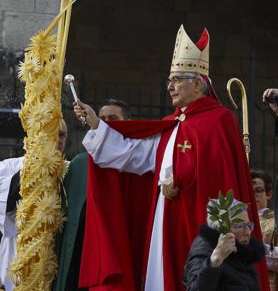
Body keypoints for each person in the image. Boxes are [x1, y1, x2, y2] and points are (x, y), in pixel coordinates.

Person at [74, 25, 269, 291]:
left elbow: (222, 178)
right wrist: (96, 124)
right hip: (166, 220)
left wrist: (184, 181)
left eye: (177, 79)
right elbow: (135, 156)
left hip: (202, 223)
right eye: (169, 80)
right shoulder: (171, 124)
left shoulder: (219, 120)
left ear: (198, 83)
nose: (170, 86)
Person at [54, 99, 130, 291]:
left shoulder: (135, 162)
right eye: (101, 118)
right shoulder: (79, 164)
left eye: (112, 118)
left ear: (127, 122)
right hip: (79, 257)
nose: (105, 123)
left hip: (117, 254)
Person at [0, 120, 67, 291]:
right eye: (51, 133)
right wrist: (34, 167)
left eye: (61, 135)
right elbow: (7, 215)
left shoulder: (70, 170)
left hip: (56, 258)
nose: (57, 140)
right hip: (16, 257)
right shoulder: (7, 167)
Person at [184, 198, 265, 290]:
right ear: (217, 228)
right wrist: (213, 263)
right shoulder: (204, 250)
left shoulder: (243, 251)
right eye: (239, 226)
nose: (247, 232)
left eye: (248, 225)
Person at [251, 168, 278, 291]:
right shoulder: (237, 221)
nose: (253, 195)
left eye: (259, 191)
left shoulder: (275, 221)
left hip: (267, 283)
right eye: (249, 191)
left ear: (269, 194)